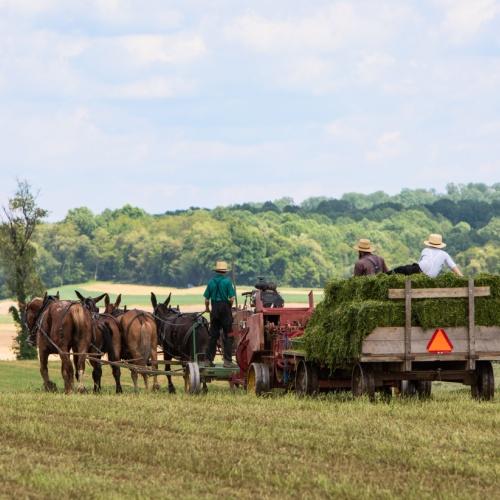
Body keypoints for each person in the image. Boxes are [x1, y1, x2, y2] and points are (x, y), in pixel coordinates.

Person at [203, 261, 236, 367]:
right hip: (225, 310)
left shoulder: (211, 282)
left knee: (213, 336)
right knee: (228, 335)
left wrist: (208, 309)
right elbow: (231, 299)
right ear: (225, 272)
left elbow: (206, 300)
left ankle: (208, 360)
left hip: (215, 310)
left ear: (216, 271)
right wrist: (228, 307)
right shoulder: (227, 282)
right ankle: (227, 361)